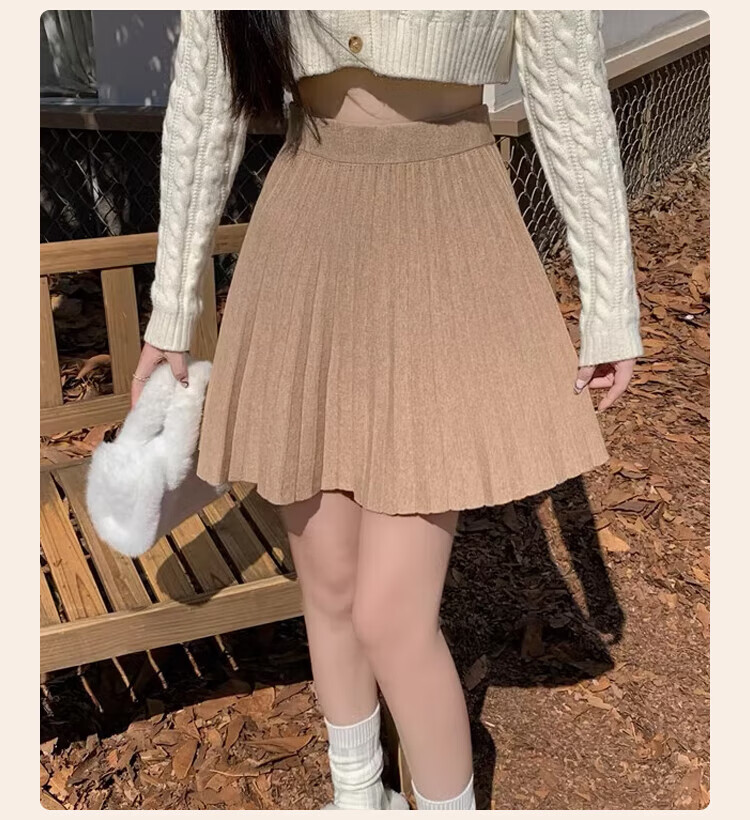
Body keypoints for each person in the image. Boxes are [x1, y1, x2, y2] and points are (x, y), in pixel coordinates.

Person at [131, 10, 643, 811]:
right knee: (330, 585)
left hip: (447, 226)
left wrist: (610, 305)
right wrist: (172, 308)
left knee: (391, 616)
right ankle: (357, 796)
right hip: (305, 232)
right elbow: (206, 95)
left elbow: (569, 90)